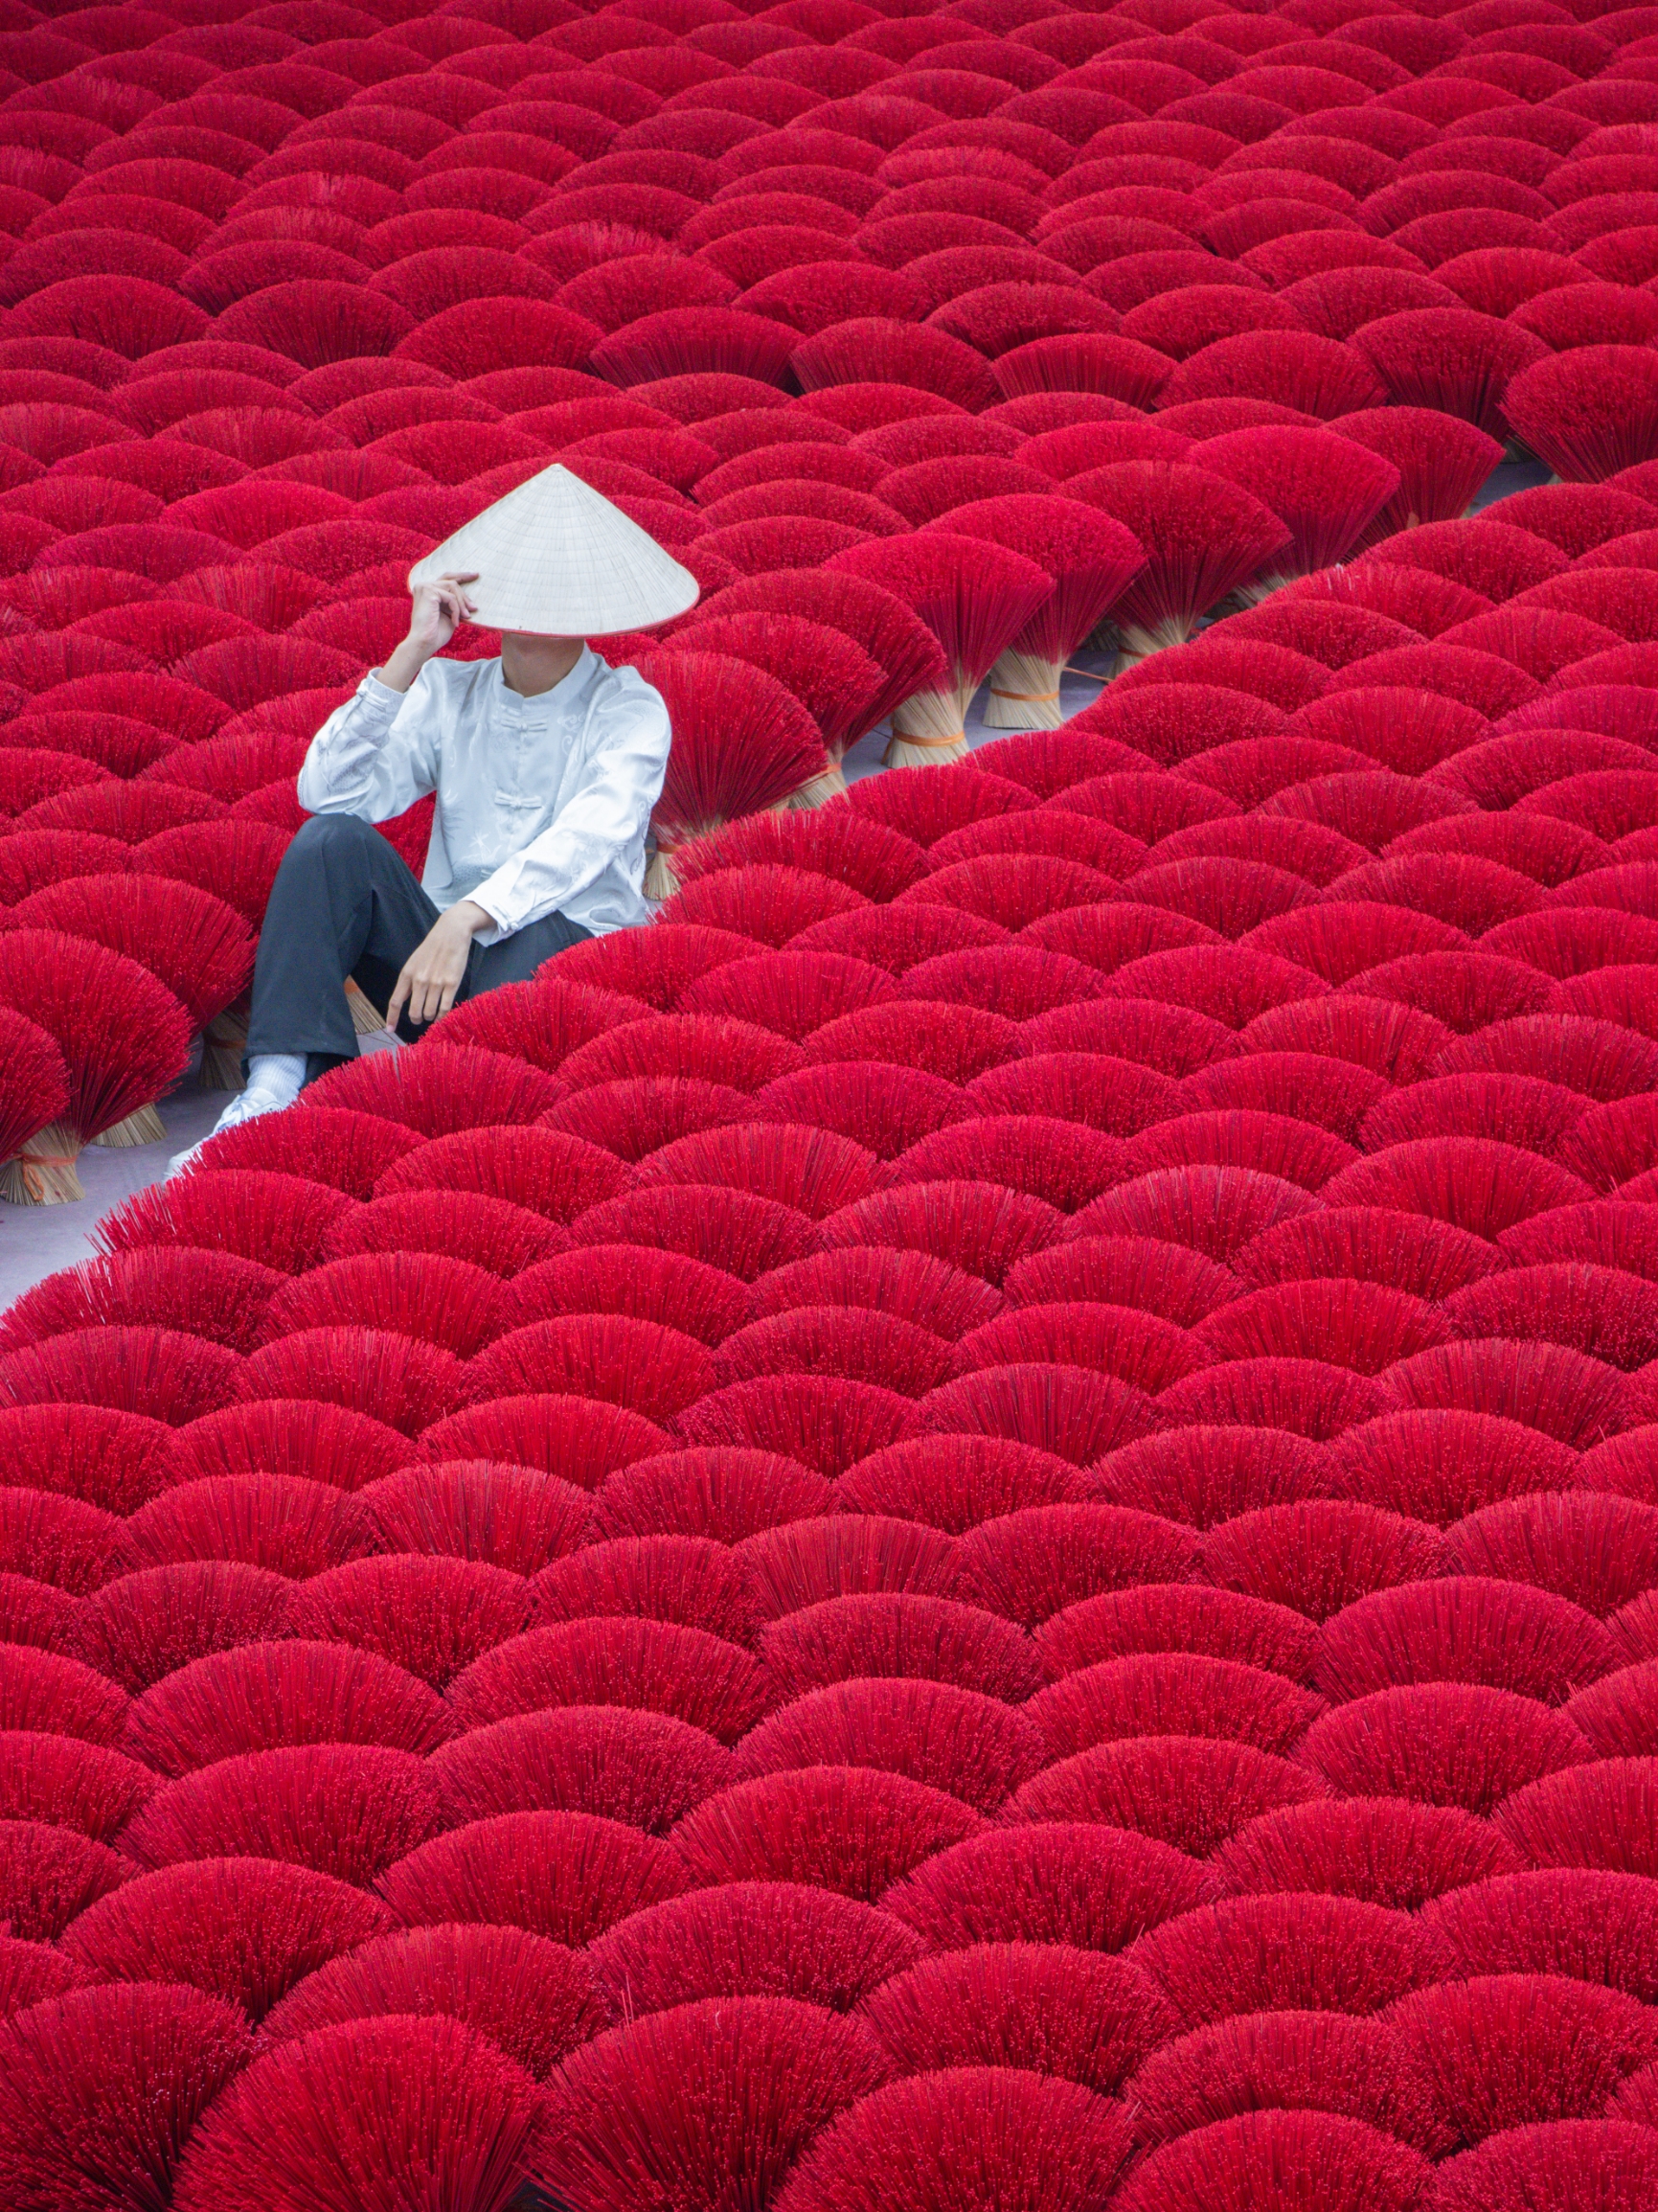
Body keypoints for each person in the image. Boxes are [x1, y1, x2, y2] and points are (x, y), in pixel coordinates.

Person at [170, 465, 698, 1175]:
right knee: (329, 843)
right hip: (439, 978)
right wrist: (411, 652)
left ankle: (436, 1117)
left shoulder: (629, 709)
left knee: (536, 931)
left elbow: (588, 839)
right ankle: (276, 1091)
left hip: (562, 974)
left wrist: (467, 917)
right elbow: (327, 791)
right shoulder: (449, 689)